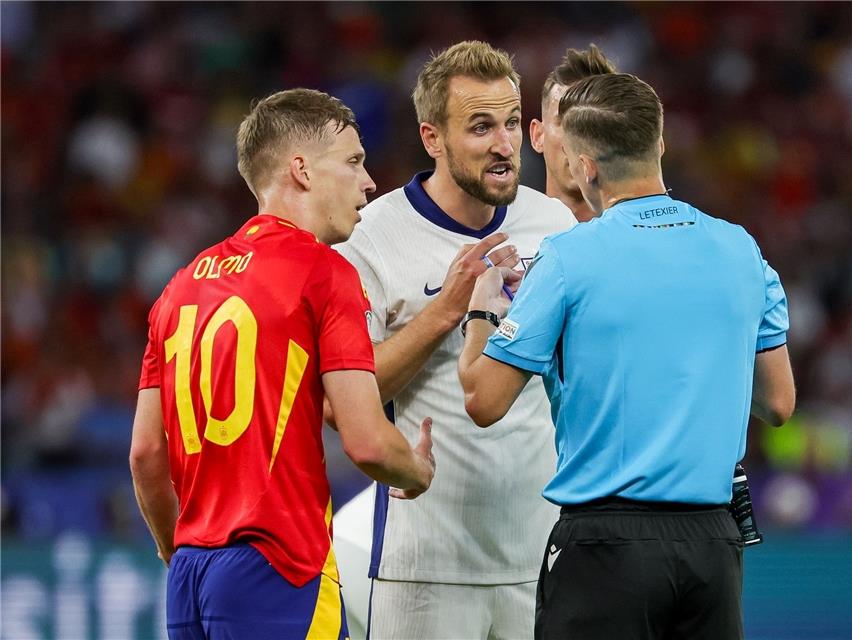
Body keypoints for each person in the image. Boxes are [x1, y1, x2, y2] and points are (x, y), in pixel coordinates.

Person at [458, 73, 796, 640]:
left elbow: (483, 400)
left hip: (605, 548)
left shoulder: (567, 258)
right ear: (659, 144)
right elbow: (779, 403)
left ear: (585, 167)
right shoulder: (741, 248)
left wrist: (482, 311)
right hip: (713, 548)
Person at [129, 88, 436, 640]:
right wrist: (415, 469)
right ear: (301, 170)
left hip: (191, 577)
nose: (369, 182)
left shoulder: (178, 288)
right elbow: (367, 442)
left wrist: (175, 548)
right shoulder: (324, 273)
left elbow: (146, 454)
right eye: (353, 161)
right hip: (281, 568)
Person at [335, 40, 576, 639]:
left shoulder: (555, 225)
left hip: (541, 560)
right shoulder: (372, 237)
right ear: (432, 138)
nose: (504, 144)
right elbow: (346, 402)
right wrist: (445, 309)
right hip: (423, 567)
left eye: (511, 123)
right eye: (480, 127)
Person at [529, 44, 617, 222]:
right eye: (566, 122)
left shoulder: (645, 234)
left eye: (593, 123)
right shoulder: (509, 236)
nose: (578, 140)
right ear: (538, 136)